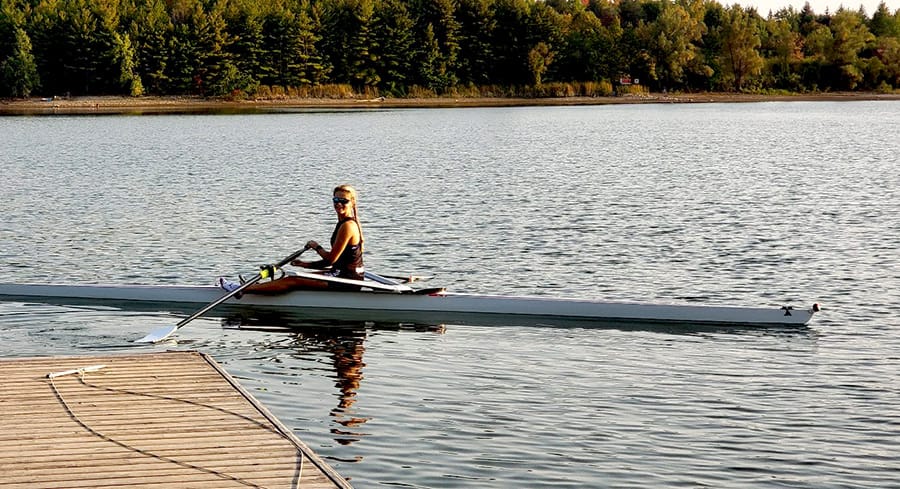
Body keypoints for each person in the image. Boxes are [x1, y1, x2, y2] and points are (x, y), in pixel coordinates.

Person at [217, 184, 365, 293]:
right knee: (292, 276)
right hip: (341, 274)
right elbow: (335, 262)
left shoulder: (348, 226)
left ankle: (241, 290)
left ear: (352, 202)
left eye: (343, 201)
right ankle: (252, 288)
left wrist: (316, 247)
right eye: (335, 199)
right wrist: (303, 265)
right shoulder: (343, 223)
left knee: (293, 280)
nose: (338, 203)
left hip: (348, 281)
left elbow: (330, 260)